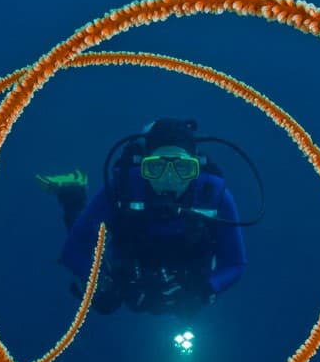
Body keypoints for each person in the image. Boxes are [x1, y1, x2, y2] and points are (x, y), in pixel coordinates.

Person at [37, 118, 248, 318]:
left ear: (196, 168)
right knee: (105, 303)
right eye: (156, 167)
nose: (170, 178)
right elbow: (74, 249)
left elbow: (235, 262)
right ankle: (73, 196)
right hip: (129, 267)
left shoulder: (212, 195)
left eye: (183, 168)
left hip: (188, 272)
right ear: (142, 166)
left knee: (187, 312)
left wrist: (207, 289)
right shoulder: (124, 188)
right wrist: (101, 283)